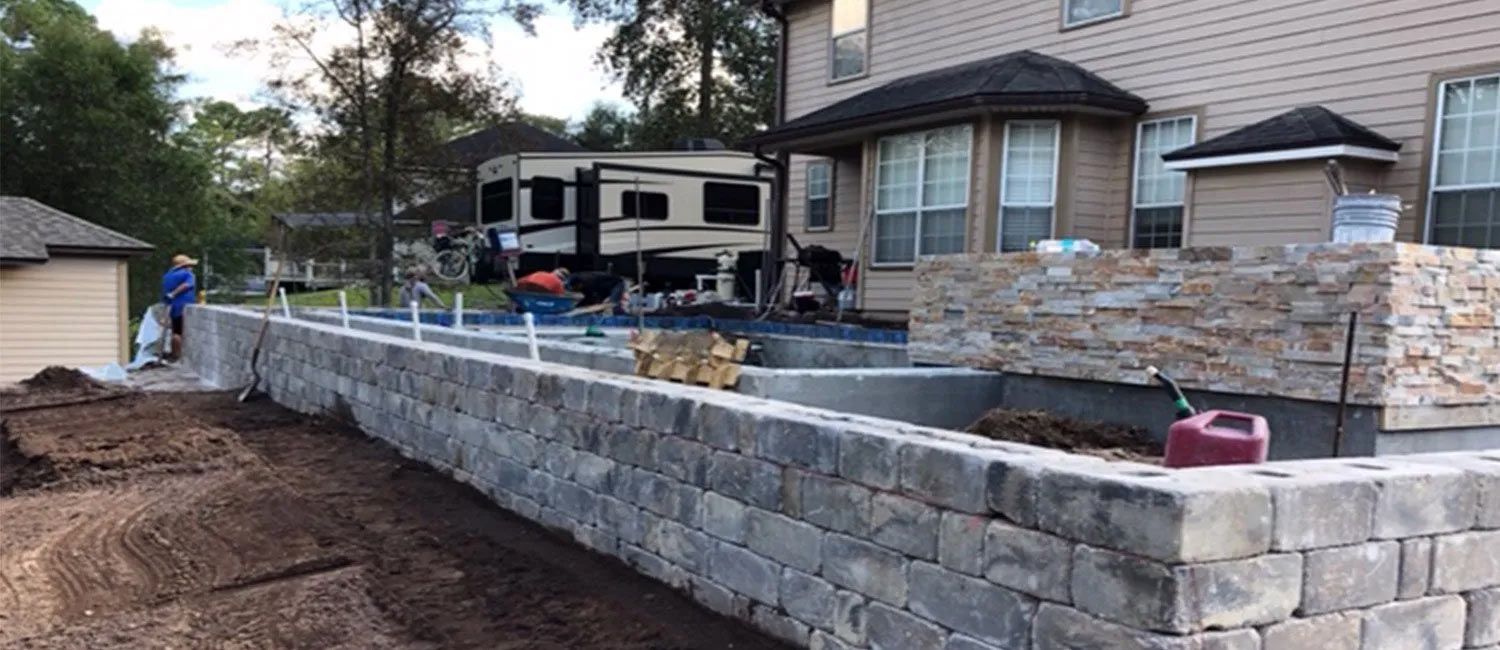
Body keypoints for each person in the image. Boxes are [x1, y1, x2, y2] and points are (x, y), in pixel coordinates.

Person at [160, 254, 197, 361]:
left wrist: (170, 296)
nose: (191, 267)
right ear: (184, 266)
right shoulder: (188, 274)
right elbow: (187, 285)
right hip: (183, 306)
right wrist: (174, 293)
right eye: (189, 265)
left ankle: (173, 354)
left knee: (174, 332)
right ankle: (179, 356)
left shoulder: (167, 275)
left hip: (172, 307)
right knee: (180, 333)